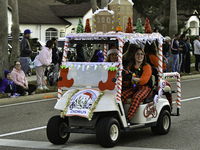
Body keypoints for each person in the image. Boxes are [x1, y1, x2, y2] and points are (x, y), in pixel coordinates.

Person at [122, 45, 152, 123]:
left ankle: (128, 119)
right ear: (134, 56)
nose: (140, 56)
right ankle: (119, 116)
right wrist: (125, 81)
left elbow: (144, 80)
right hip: (133, 87)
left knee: (137, 97)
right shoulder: (130, 66)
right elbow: (127, 82)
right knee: (121, 95)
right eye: (138, 54)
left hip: (145, 87)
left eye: (142, 54)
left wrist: (134, 79)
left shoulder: (146, 66)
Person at [144, 41, 173, 107]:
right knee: (168, 85)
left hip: (146, 78)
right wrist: (165, 61)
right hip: (154, 81)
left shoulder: (143, 56)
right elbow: (161, 68)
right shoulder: (152, 57)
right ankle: (170, 104)